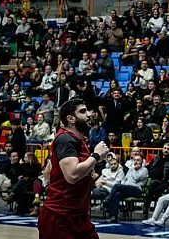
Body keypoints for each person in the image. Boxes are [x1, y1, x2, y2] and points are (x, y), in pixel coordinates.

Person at [37, 99, 110, 239]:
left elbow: (48, 172)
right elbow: (72, 176)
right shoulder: (65, 139)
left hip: (78, 215)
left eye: (87, 110)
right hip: (60, 217)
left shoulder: (74, 140)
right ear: (70, 119)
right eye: (82, 111)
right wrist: (96, 156)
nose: (89, 114)